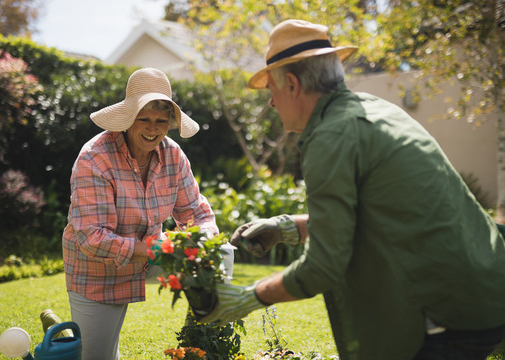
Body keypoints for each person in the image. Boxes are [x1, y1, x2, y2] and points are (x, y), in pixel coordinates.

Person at [200, 19, 505, 360]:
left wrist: (248, 297)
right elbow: (373, 215)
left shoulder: (331, 136)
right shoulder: (374, 110)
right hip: (483, 286)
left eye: (270, 89)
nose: (270, 103)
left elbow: (324, 266)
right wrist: (290, 228)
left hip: (448, 314)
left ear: (292, 84)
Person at [62, 68, 233, 360]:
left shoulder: (173, 155)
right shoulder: (95, 158)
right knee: (97, 357)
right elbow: (92, 237)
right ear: (128, 119)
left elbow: (195, 212)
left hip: (152, 255)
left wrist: (202, 241)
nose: (152, 128)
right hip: (98, 272)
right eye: (144, 119)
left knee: (223, 252)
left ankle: (207, 339)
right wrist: (160, 249)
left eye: (160, 121)